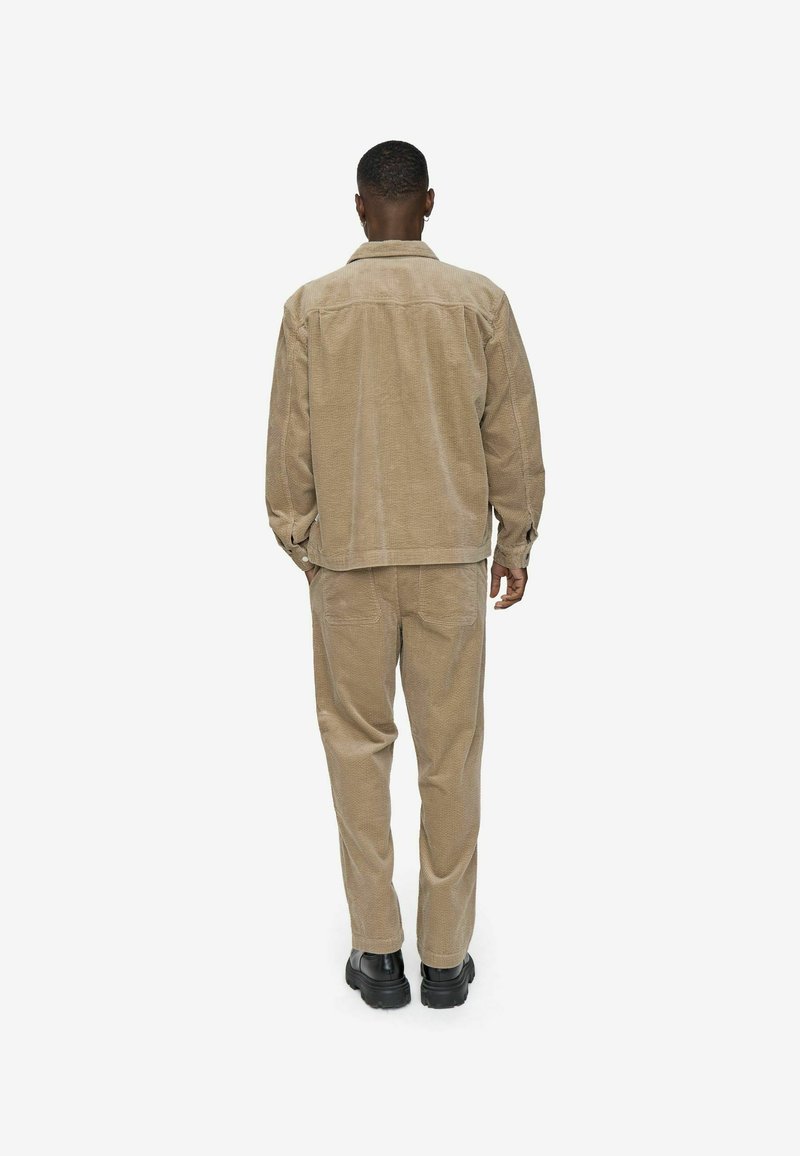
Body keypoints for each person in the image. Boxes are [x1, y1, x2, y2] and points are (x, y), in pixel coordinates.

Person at [265, 140, 545, 1010]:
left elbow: (288, 447)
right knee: (450, 755)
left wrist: (306, 545)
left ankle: (377, 954)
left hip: (347, 560)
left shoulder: (311, 308)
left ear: (360, 208)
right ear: (428, 203)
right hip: (450, 561)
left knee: (356, 752)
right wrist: (514, 542)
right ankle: (447, 961)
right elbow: (513, 435)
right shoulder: (479, 302)